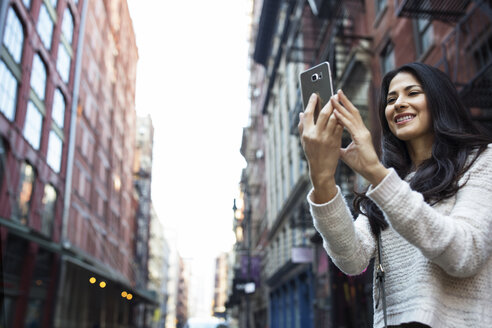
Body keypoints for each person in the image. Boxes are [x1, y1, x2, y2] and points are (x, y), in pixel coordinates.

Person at [298, 62, 492, 328]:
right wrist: (322, 179)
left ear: (439, 100)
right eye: (391, 99)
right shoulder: (388, 185)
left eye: (413, 93)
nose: (399, 103)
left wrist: (377, 173)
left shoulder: (481, 160)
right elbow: (352, 259)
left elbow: (465, 253)